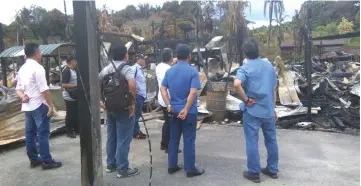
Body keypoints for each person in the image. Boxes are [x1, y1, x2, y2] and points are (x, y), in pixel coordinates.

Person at [233, 38, 279, 183]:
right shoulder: (268, 66)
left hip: (253, 111)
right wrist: (274, 108)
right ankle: (272, 169)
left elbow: (236, 84)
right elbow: (274, 89)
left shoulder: (245, 67)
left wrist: (246, 100)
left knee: (252, 141)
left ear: (245, 53)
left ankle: (254, 172)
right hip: (268, 110)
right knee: (271, 140)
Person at [160, 44, 204, 178]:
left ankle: (172, 166)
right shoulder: (192, 72)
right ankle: (190, 169)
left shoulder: (170, 71)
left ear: (176, 56)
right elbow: (193, 92)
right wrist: (186, 109)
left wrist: (168, 104)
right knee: (189, 139)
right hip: (188, 112)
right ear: (189, 56)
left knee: (173, 139)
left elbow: (162, 88)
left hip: (173, 110)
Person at [16, 43, 62, 170]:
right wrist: (51, 106)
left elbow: (18, 89)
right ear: (36, 53)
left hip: (28, 107)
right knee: (43, 134)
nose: (41, 54)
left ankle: (34, 159)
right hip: (39, 105)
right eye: (40, 52)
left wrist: (23, 97)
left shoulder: (22, 69)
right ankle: (47, 160)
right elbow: (44, 90)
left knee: (30, 134)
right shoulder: (38, 68)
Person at [99, 43, 139, 178]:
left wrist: (101, 101)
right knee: (123, 139)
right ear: (125, 55)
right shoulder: (126, 68)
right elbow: (132, 84)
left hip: (110, 108)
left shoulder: (106, 69)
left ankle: (111, 165)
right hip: (124, 108)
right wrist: (132, 103)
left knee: (112, 137)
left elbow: (97, 83)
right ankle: (123, 168)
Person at [156, 48, 181, 153]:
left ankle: (163, 143)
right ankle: (169, 147)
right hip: (169, 99)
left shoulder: (159, 66)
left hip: (162, 98)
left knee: (167, 122)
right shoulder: (170, 70)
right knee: (172, 124)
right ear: (170, 57)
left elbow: (171, 61)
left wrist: (177, 58)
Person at [61, 56, 79, 138]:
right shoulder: (67, 71)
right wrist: (75, 86)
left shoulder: (73, 70)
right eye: (75, 61)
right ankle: (69, 131)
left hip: (75, 95)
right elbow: (64, 84)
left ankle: (77, 129)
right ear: (71, 61)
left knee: (76, 113)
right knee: (70, 114)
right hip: (69, 96)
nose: (76, 63)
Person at [132, 54, 147, 139]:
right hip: (137, 96)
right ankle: (135, 132)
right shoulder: (134, 69)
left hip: (141, 96)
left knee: (137, 115)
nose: (144, 61)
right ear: (138, 59)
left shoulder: (140, 70)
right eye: (143, 59)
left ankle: (136, 131)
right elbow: (131, 81)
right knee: (136, 115)